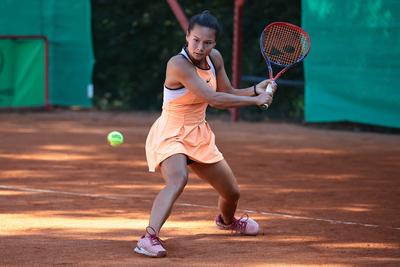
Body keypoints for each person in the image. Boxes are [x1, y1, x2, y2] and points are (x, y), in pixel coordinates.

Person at [134, 10, 277, 258]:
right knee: (178, 179)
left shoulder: (215, 59)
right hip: (171, 132)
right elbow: (214, 99)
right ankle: (149, 236)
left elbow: (228, 90)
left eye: (207, 42)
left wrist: (256, 89)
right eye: (196, 40)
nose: (200, 47)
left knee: (232, 193)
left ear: (215, 43)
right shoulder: (177, 64)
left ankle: (227, 221)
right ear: (187, 35)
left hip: (199, 134)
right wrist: (256, 101)